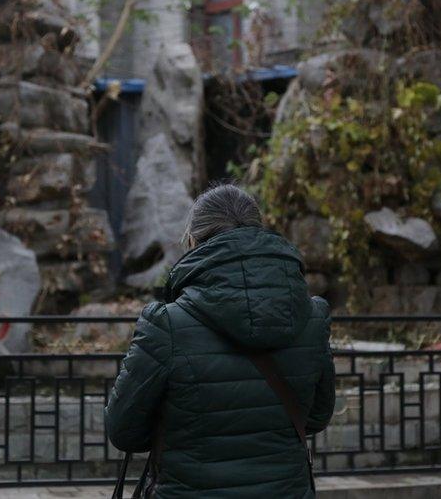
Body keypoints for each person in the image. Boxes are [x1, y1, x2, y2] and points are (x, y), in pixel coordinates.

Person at [105, 184, 335, 498]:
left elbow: (123, 432)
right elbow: (318, 416)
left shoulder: (166, 326)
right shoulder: (312, 318)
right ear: (258, 231)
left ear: (193, 240)